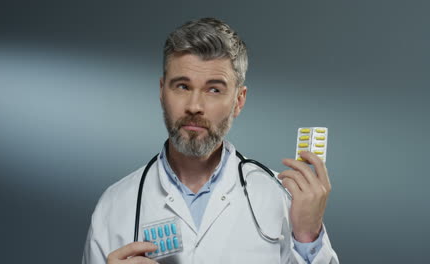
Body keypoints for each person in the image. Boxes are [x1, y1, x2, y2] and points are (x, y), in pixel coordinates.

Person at [82, 17, 339, 264]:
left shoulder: (280, 198)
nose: (195, 106)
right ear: (162, 91)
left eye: (214, 89)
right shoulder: (115, 206)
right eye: (182, 86)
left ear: (239, 100)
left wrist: (308, 237)